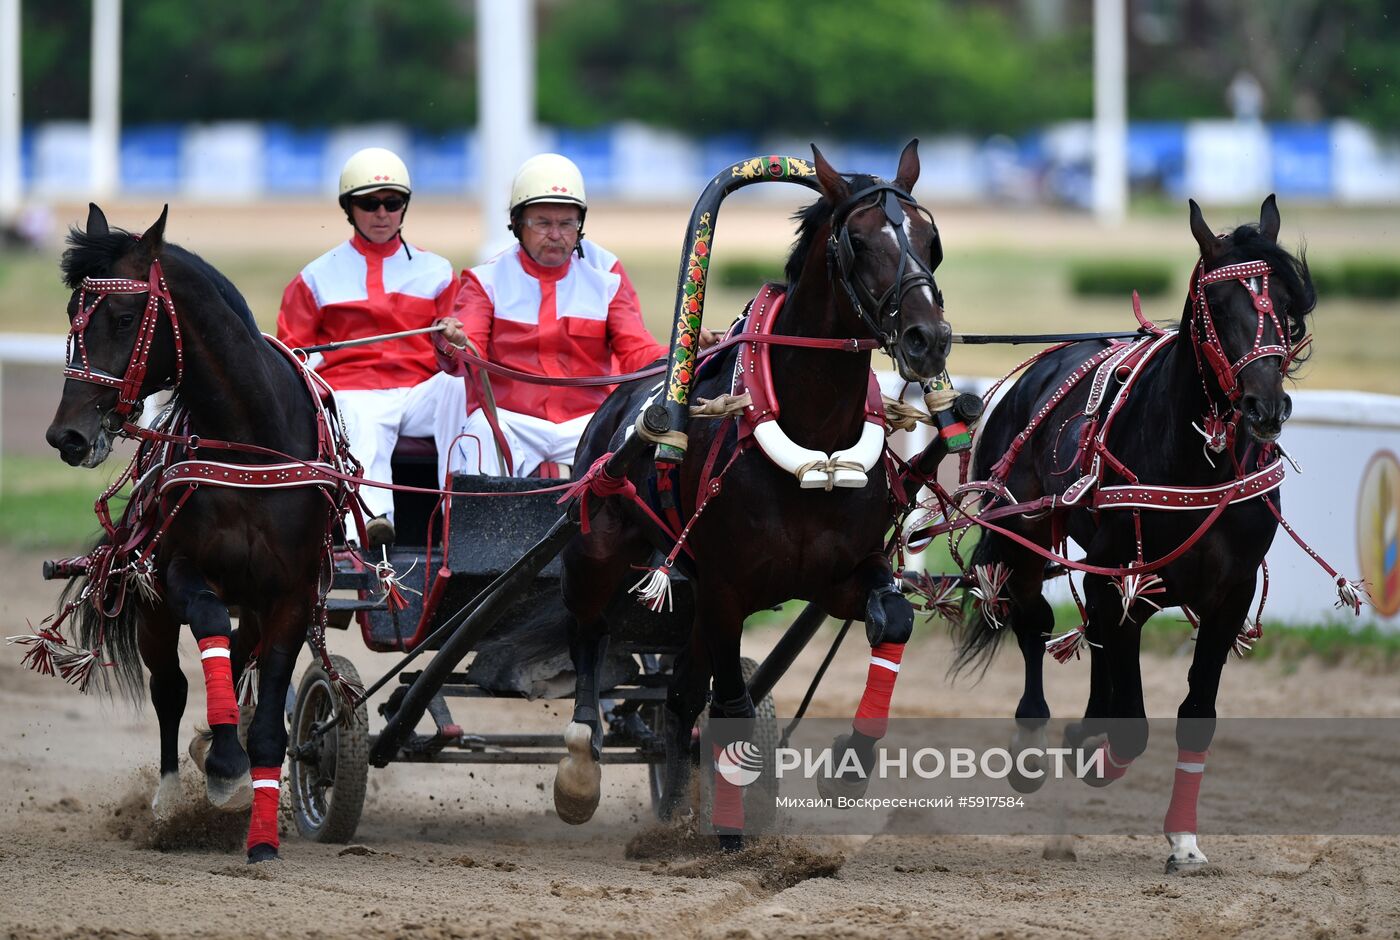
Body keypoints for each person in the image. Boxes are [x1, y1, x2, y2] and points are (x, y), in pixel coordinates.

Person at [434, 153, 704, 478]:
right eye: (543, 223)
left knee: (639, 438)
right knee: (478, 432)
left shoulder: (607, 276)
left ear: (580, 227)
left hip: (587, 420)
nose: (556, 234)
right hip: (510, 420)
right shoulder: (484, 280)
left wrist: (687, 349)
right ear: (518, 225)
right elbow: (466, 354)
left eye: (566, 224)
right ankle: (484, 529)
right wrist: (453, 341)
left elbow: (636, 354)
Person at [277, 147, 459, 548]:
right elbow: (295, 357)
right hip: (354, 393)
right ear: (349, 207)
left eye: (392, 203)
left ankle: (458, 513)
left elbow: (457, 355)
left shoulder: (438, 272)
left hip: (417, 394)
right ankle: (372, 524)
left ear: (404, 207)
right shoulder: (315, 277)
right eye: (369, 203)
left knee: (458, 388)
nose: (382, 213)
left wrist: (455, 341)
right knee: (358, 414)